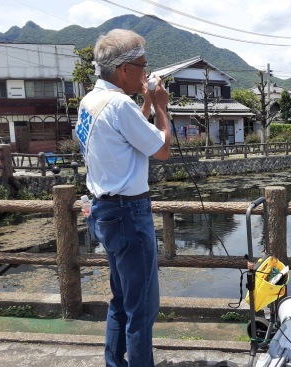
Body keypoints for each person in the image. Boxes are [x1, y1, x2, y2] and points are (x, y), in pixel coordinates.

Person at [75, 28, 171, 367]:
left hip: (103, 211)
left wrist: (145, 103)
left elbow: (129, 133)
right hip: (129, 213)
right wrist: (160, 107)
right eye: (143, 65)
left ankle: (114, 362)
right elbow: (160, 150)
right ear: (126, 70)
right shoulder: (118, 105)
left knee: (121, 300)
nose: (146, 72)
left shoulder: (91, 101)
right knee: (142, 308)